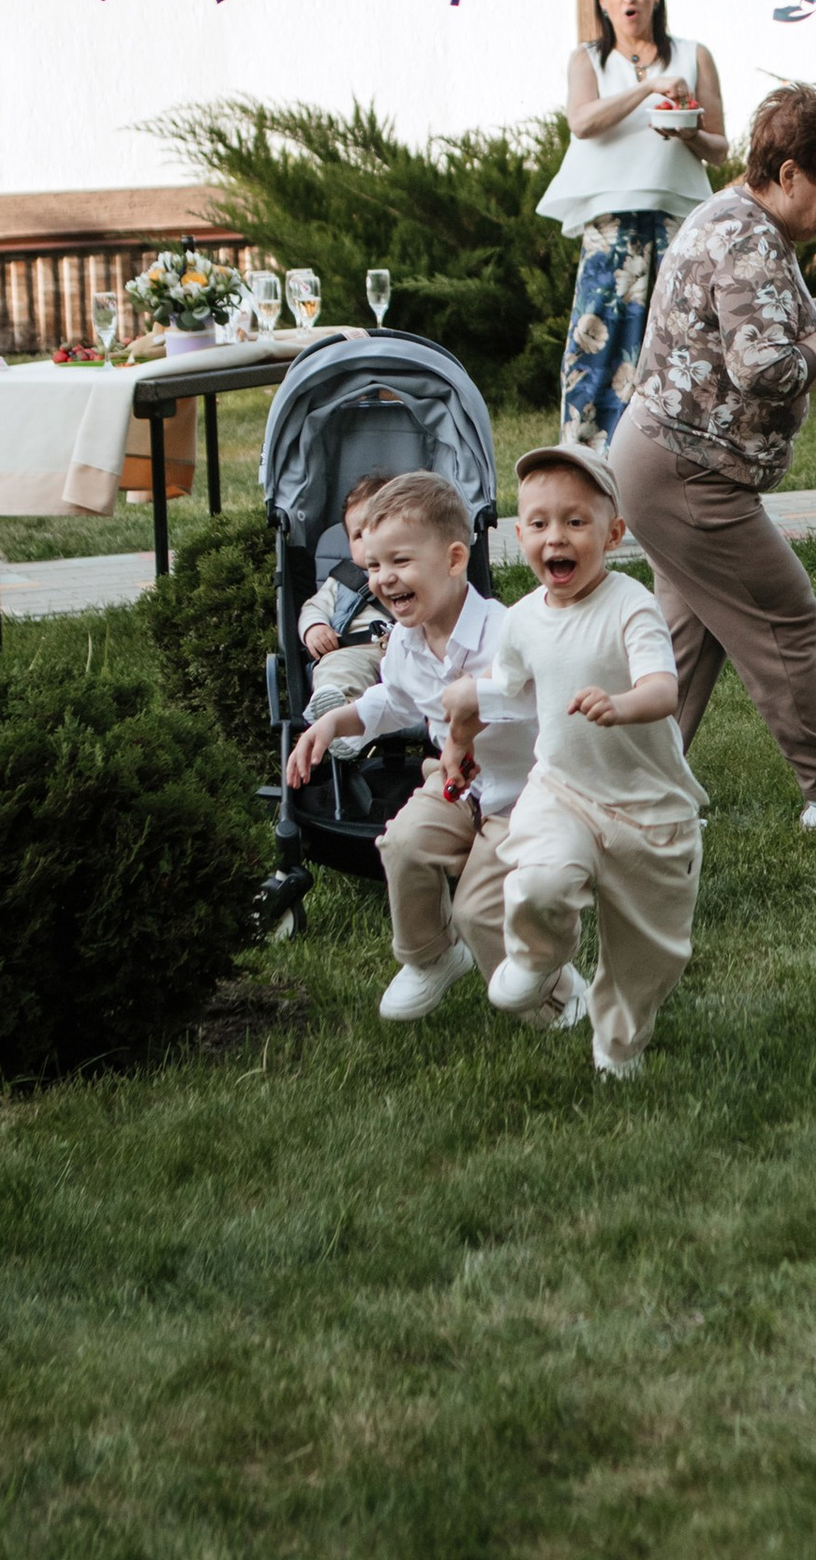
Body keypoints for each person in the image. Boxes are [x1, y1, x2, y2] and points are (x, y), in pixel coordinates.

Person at [614, 80, 816, 836]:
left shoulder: (735, 220)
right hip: (690, 471)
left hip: (661, 461)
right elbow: (765, 368)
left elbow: (753, 329)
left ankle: (632, 789)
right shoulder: (748, 235)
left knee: (686, 642)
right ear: (790, 175)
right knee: (785, 612)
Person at [444, 442, 704, 1083]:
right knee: (536, 880)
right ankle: (538, 960)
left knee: (648, 960)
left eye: (575, 522)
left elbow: (664, 689)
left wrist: (622, 704)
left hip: (649, 811)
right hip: (563, 791)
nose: (555, 537)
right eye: (539, 523)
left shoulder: (630, 604)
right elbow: (510, 690)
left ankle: (618, 1045)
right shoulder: (523, 620)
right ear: (518, 534)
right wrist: (460, 731)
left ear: (613, 534)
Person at [286, 467, 580, 1030]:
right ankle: (432, 956)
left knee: (481, 908)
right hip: (454, 785)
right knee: (403, 844)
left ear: (452, 559)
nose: (383, 579)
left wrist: (472, 709)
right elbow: (391, 700)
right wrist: (336, 724)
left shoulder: (507, 631)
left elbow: (539, 701)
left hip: (520, 799)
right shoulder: (405, 642)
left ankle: (553, 995)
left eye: (400, 562)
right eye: (374, 565)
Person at [537, 0, 730, 450]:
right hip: (609, 222)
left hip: (677, 220)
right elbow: (581, 122)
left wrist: (685, 131)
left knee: (679, 344)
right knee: (595, 344)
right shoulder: (588, 59)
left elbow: (719, 147)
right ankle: (585, 459)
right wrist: (648, 88)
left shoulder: (693, 55)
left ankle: (672, 456)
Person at [298, 470, 397, 716]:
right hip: (355, 651)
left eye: (378, 528)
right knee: (337, 668)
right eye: (357, 535)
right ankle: (341, 714)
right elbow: (314, 607)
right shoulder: (341, 580)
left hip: (410, 653)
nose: (368, 541)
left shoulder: (414, 571)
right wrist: (316, 628)